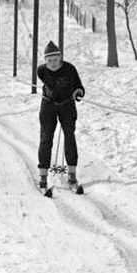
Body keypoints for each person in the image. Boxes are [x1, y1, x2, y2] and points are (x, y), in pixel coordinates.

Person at [36, 41, 85, 189]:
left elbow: (79, 86)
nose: (53, 63)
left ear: (61, 57)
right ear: (45, 61)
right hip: (48, 105)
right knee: (46, 138)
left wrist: (78, 92)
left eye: (56, 59)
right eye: (49, 60)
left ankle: (71, 174)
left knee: (69, 136)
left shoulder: (70, 69)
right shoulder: (41, 70)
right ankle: (43, 175)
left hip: (67, 105)